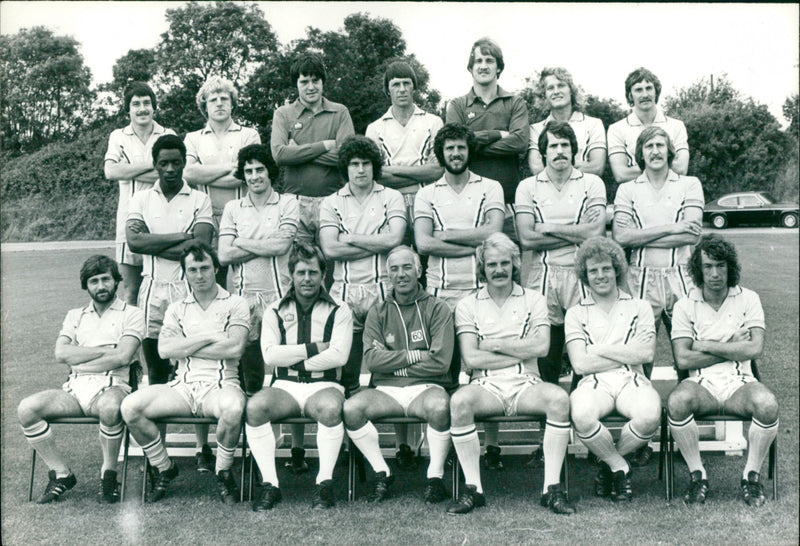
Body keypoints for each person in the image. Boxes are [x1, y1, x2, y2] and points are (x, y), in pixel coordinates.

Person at [448, 233, 575, 515]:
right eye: (492, 264)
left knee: (558, 400)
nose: (499, 270)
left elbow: (542, 347)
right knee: (458, 402)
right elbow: (470, 357)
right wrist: (520, 347)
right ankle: (473, 489)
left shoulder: (535, 299)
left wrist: (495, 345)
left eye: (505, 263)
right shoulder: (468, 304)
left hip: (526, 382)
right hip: (485, 384)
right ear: (482, 267)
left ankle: (551, 488)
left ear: (515, 264)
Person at [120, 243, 249, 504]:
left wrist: (187, 345)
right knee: (131, 407)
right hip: (184, 386)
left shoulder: (236, 303)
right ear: (185, 273)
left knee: (233, 408)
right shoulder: (176, 308)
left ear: (216, 269)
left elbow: (235, 348)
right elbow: (165, 350)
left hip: (221, 384)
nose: (199, 275)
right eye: (193, 270)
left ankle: (223, 472)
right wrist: (211, 337)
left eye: (204, 268)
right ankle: (164, 467)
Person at [18, 256, 145, 504]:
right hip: (75, 388)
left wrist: (81, 357)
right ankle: (61, 473)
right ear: (86, 286)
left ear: (116, 281)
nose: (100, 286)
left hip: (114, 385)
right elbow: (61, 354)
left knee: (110, 408)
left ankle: (109, 474)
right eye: (93, 281)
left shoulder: (132, 313)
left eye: (105, 279)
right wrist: (106, 351)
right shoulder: (75, 315)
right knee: (27, 409)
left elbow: (124, 356)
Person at [414, 122, 505, 468]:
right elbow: (423, 243)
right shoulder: (427, 193)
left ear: (470, 151)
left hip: (483, 292)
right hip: (440, 292)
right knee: (445, 373)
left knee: (488, 372)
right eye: (449, 148)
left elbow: (494, 234)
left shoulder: (491, 187)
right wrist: (473, 240)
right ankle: (450, 447)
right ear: (442, 153)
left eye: (461, 148)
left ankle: (492, 447)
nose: (455, 153)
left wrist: (448, 234)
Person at [612, 126, 703, 466]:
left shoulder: (689, 183)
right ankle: (639, 440)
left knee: (687, 358)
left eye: (660, 145)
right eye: (648, 145)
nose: (655, 151)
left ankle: (687, 434)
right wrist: (672, 228)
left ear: (670, 151)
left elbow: (692, 234)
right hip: (639, 279)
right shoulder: (627, 189)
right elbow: (622, 236)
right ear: (641, 152)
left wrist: (647, 235)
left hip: (681, 277)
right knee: (639, 362)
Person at [125, 134, 216, 471]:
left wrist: (161, 243)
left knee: (197, 370)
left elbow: (200, 247)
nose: (170, 169)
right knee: (157, 371)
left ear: (184, 162)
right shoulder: (140, 198)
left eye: (176, 162)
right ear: (154, 164)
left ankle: (202, 447)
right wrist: (182, 236)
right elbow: (135, 242)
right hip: (153, 290)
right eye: (163, 163)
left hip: (189, 288)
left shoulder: (199, 198)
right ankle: (157, 452)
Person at [668, 234, 777, 507]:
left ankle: (751, 476)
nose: (715, 273)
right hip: (700, 384)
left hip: (740, 381)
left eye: (720, 265)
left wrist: (703, 345)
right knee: (678, 401)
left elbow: (754, 349)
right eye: (708, 267)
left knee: (767, 404)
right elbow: (683, 360)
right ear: (698, 269)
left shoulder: (749, 298)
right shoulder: (684, 305)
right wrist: (729, 345)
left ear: (730, 267)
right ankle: (697, 475)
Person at [245, 241, 353, 511]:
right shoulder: (274, 309)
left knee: (330, 409)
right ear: (291, 275)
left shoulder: (340, 309)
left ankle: (324, 483)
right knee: (255, 407)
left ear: (323, 274)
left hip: (326, 383)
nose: (307, 279)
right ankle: (271, 485)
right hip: (285, 386)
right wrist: (315, 349)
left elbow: (339, 356)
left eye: (313, 272)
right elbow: (270, 356)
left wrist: (292, 358)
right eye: (301, 272)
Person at [343, 246, 455, 503]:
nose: (401, 274)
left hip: (427, 387)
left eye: (407, 267)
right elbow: (371, 360)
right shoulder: (378, 311)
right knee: (351, 409)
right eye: (394, 269)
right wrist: (417, 355)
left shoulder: (438, 308)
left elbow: (440, 362)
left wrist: (392, 362)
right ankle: (383, 472)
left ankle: (435, 478)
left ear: (419, 270)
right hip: (387, 391)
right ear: (387, 275)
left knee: (440, 407)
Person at [566, 237, 661, 502]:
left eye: (606, 268)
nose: (600, 275)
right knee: (581, 413)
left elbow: (646, 353)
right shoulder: (575, 313)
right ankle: (619, 467)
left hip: (633, 378)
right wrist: (624, 352)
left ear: (616, 269)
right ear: (585, 275)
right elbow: (580, 364)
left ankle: (608, 465)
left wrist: (597, 349)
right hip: (593, 382)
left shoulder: (640, 306)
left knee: (650, 414)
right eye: (593, 271)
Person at [516, 121, 606, 384]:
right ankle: (551, 420)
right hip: (541, 275)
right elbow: (527, 238)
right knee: (547, 354)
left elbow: (596, 234)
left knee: (585, 350)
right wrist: (577, 231)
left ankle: (581, 415)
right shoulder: (528, 186)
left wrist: (548, 228)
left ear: (574, 150)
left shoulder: (592, 182)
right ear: (543, 151)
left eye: (565, 145)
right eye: (553, 145)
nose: (559, 151)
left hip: (582, 274)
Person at [319, 135, 406, 398]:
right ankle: (350, 438)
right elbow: (330, 249)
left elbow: (395, 239)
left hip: (384, 291)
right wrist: (376, 242)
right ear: (345, 166)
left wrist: (351, 237)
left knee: (390, 370)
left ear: (374, 166)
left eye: (366, 163)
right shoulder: (331, 202)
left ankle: (395, 437)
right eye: (354, 163)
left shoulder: (391, 196)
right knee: (346, 373)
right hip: (344, 292)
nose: (360, 169)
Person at [218, 144, 298, 397]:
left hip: (281, 297)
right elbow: (223, 255)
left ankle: (282, 436)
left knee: (285, 374)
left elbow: (282, 245)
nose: (254, 176)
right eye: (249, 170)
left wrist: (241, 241)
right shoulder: (233, 208)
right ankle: (253, 435)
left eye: (260, 169)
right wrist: (266, 244)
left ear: (270, 171)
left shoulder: (288, 203)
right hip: (244, 300)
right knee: (250, 377)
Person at [445, 37, 529, 239]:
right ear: (470, 68)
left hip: (508, 202)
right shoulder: (457, 105)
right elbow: (454, 146)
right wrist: (497, 134)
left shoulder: (515, 102)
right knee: (468, 266)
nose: (483, 66)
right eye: (478, 61)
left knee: (508, 265)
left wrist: (472, 145)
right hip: (466, 202)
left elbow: (519, 142)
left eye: (489, 61)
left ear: (499, 67)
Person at [183, 76, 260, 287]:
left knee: (244, 279)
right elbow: (189, 174)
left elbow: (246, 176)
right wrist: (229, 167)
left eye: (224, 98)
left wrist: (206, 172)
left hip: (243, 216)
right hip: (206, 218)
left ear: (232, 103)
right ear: (204, 106)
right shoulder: (193, 138)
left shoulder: (249, 135)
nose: (219, 103)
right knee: (210, 278)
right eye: (213, 99)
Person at [271, 53, 355, 245]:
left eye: (315, 80)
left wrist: (298, 151)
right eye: (304, 81)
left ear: (323, 82)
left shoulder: (340, 111)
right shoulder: (283, 114)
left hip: (334, 200)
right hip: (295, 203)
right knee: (300, 267)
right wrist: (324, 145)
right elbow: (279, 155)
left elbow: (346, 158)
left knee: (333, 264)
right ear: (296, 84)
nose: (310, 87)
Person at [104, 82, 176, 304]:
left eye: (146, 103)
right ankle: (132, 338)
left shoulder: (167, 134)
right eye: (136, 104)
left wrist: (130, 170)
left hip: (164, 219)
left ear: (154, 107)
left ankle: (164, 337)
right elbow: (110, 170)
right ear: (128, 109)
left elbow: (173, 174)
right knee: (131, 290)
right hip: (128, 220)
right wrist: (154, 166)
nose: (142, 108)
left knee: (166, 286)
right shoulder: (118, 136)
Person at [365, 60, 444, 247]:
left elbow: (437, 171)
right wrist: (421, 172)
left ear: (414, 87)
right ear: (388, 90)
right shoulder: (375, 128)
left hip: (429, 201)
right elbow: (376, 175)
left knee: (427, 258)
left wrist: (393, 170)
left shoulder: (433, 122)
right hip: (389, 203)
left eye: (406, 83)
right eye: (395, 84)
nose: (401, 89)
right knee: (397, 261)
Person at [607, 68, 689, 183]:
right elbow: (621, 174)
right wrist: (663, 165)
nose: (645, 94)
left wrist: (639, 168)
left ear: (656, 92)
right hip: (634, 195)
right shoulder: (616, 129)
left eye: (649, 88)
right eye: (638, 90)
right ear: (630, 96)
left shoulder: (677, 126)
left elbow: (681, 168)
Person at [527, 67, 606, 177]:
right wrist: (578, 167)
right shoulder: (535, 129)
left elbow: (597, 167)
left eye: (561, 85)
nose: (556, 92)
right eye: (550, 88)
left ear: (571, 91)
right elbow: (536, 169)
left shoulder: (593, 124)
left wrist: (554, 167)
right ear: (544, 95)